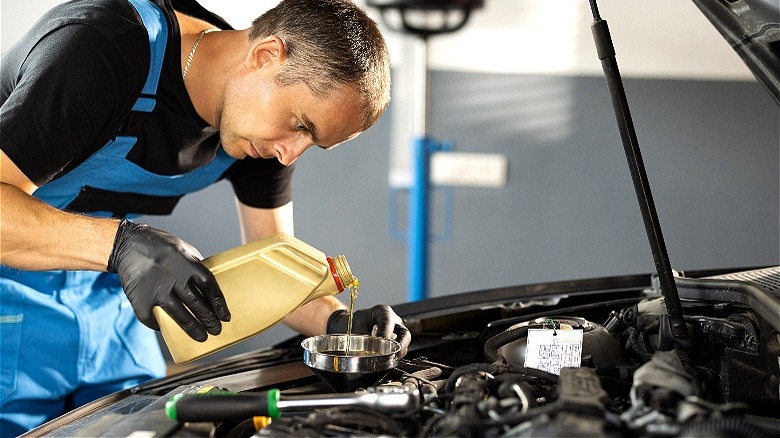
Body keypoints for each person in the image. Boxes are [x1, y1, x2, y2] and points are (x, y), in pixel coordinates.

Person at [0, 0, 411, 434]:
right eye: (300, 125)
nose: (289, 153)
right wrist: (119, 246)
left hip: (109, 310)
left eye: (312, 143)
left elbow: (273, 262)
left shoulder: (259, 128)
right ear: (265, 55)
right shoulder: (102, 50)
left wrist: (339, 324)